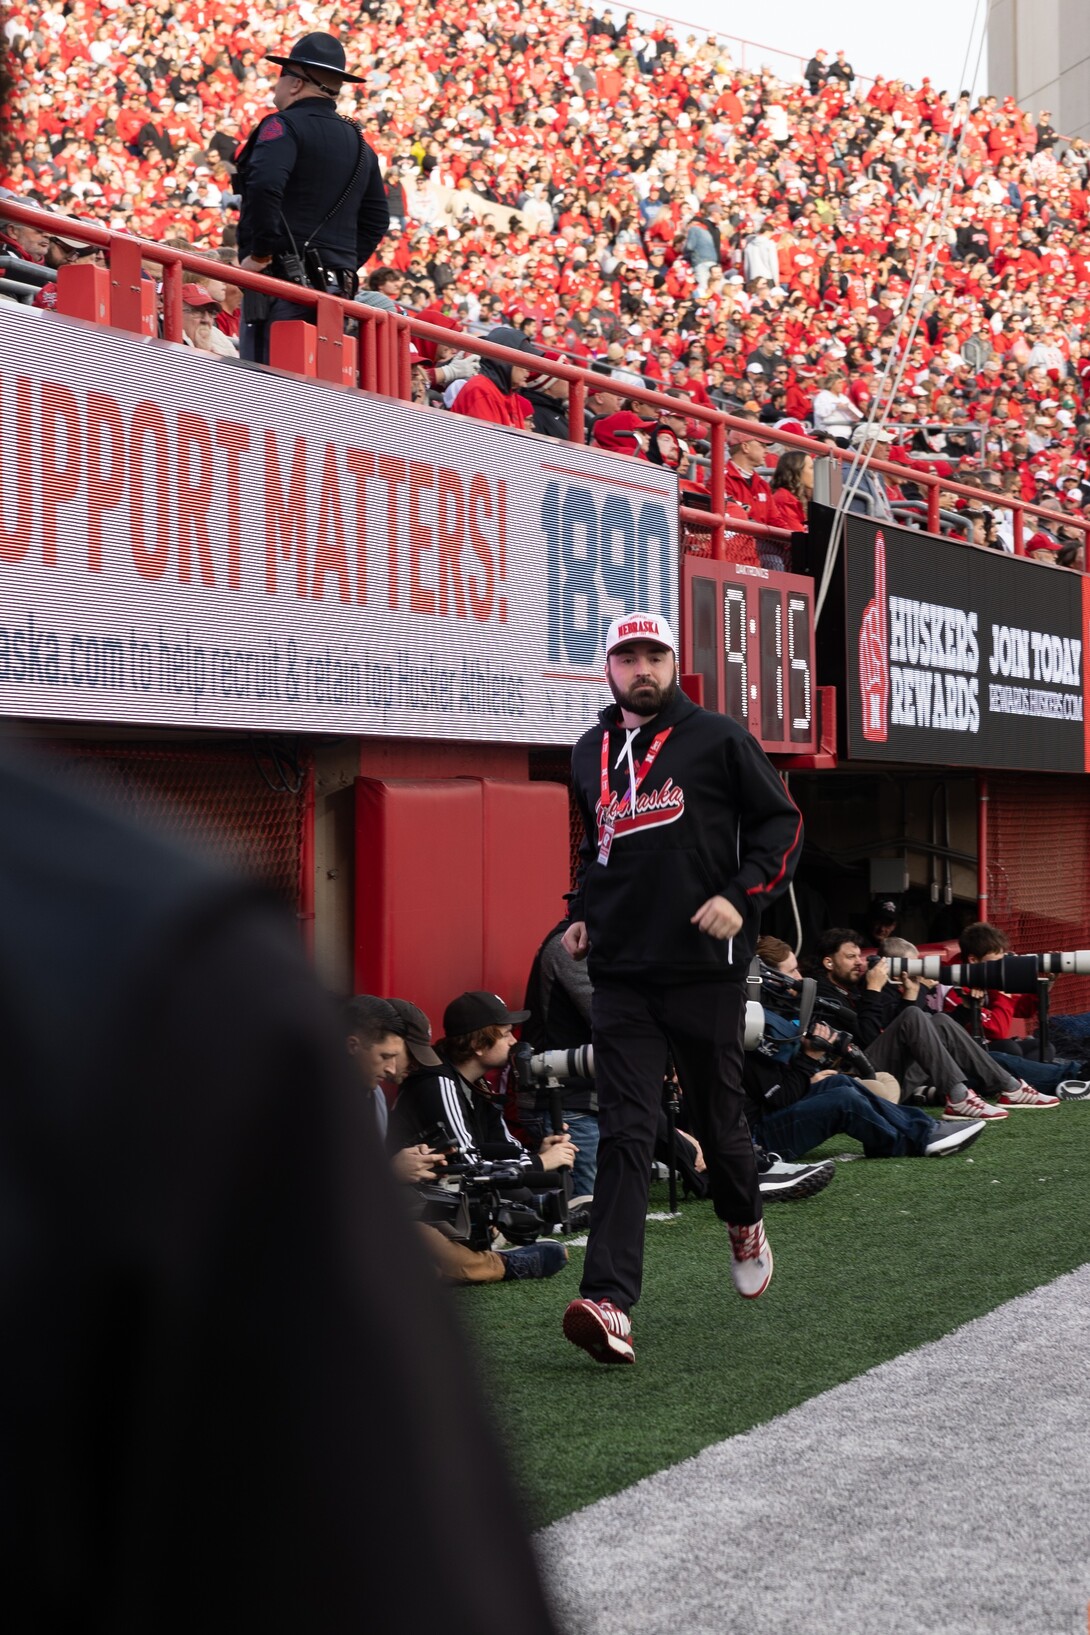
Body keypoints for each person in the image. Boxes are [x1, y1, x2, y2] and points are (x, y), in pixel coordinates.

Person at [0, 751, 560, 1632]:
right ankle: (502, 1267)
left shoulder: (155, 951)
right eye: (387, 1049)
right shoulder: (160, 957)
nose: (395, 1061)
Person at [560, 611, 803, 1365]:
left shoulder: (718, 737)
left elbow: (783, 824)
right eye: (628, 656)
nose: (642, 668)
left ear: (674, 662)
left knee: (720, 1126)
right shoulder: (589, 750)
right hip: (623, 972)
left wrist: (742, 892)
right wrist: (578, 913)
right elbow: (592, 847)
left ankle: (744, 1216)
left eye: (654, 655)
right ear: (608, 667)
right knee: (629, 1127)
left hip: (705, 964)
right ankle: (608, 1300)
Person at [235, 32, 390, 364]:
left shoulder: (282, 126)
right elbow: (377, 219)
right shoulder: (362, 144)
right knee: (318, 395)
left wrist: (261, 254)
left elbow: (264, 185)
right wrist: (338, 263)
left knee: (265, 389)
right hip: (336, 292)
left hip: (280, 287)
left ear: (294, 84)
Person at [814, 929, 1058, 1116]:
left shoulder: (856, 988)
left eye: (860, 955)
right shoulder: (824, 995)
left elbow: (898, 1030)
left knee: (939, 1020)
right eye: (850, 957)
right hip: (860, 1080)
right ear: (829, 963)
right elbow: (866, 1039)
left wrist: (910, 994)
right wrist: (875, 990)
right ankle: (959, 1096)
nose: (860, 962)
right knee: (1003, 1050)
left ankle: (1011, 1088)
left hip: (891, 1073)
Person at [448, 325, 536, 429]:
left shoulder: (508, 392)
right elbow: (487, 443)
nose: (529, 369)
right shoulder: (481, 390)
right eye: (524, 362)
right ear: (505, 361)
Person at [768, 448, 814, 532]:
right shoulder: (784, 499)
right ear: (797, 471)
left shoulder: (797, 496)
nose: (815, 472)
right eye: (811, 468)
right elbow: (797, 537)